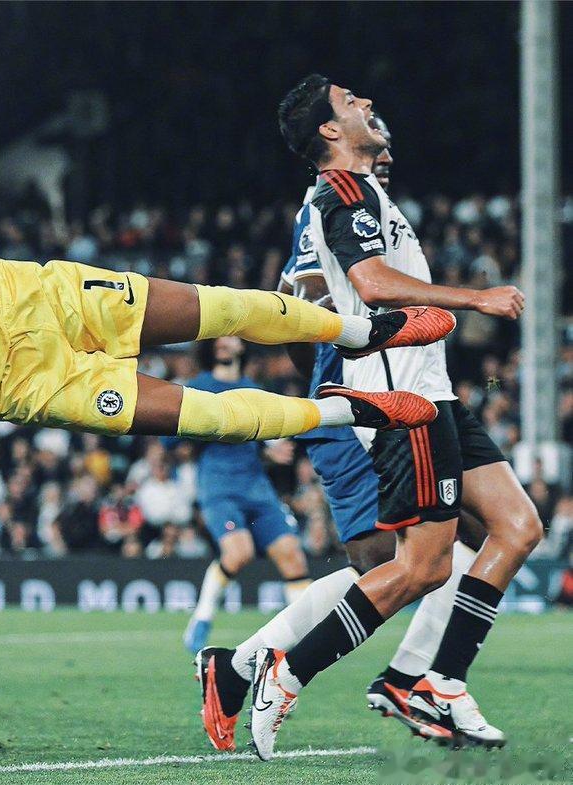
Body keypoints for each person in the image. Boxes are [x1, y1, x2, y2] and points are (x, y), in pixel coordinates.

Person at [0, 143, 452, 452]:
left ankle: (362, 334)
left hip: (35, 296)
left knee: (220, 306)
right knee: (206, 417)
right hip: (7, 380)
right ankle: (353, 410)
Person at [239, 76, 541, 759]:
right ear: (329, 130)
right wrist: (476, 298)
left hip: (434, 390)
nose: (368, 103)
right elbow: (372, 284)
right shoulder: (342, 191)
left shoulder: (366, 192)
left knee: (518, 526)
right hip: (401, 398)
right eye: (351, 102)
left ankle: (439, 680)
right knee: (424, 567)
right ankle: (287, 671)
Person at [195, 113, 490, 753]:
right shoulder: (331, 208)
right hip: (363, 404)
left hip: (377, 399)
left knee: (426, 553)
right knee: (412, 560)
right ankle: (411, 682)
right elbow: (301, 303)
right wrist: (331, 388)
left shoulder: (352, 210)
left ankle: (243, 668)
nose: (386, 155)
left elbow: (296, 296)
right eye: (376, 143)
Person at [169, 337, 311, 656]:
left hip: (257, 486)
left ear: (241, 346)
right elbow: (172, 438)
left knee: (292, 555)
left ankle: (305, 637)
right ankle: (202, 617)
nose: (224, 341)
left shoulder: (254, 390)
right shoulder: (198, 387)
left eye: (230, 335)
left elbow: (261, 440)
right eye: (219, 336)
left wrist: (271, 452)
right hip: (219, 486)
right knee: (239, 552)